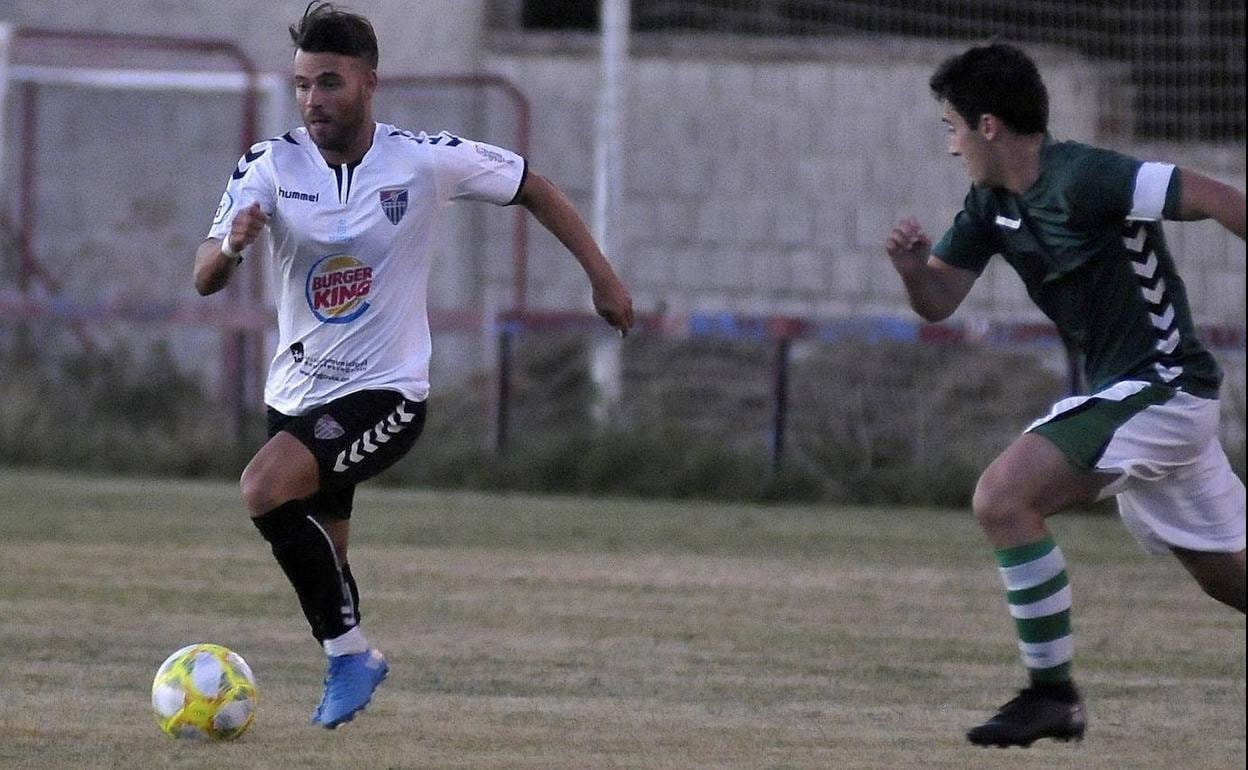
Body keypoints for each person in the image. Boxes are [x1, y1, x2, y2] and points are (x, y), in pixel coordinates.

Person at [193, 1, 633, 729]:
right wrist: (234, 245)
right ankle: (352, 656)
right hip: (295, 394)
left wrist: (602, 277)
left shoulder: (423, 159)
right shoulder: (270, 164)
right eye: (302, 84)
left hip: (387, 392)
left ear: (369, 82)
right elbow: (204, 275)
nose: (312, 100)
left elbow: (533, 186)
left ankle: (349, 655)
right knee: (328, 564)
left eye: (329, 83)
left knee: (262, 487)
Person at [884, 43, 1245, 748]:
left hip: (1165, 387)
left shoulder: (1089, 176)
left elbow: (1220, 199)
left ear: (988, 126)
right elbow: (938, 301)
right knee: (1227, 578)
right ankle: (1051, 696)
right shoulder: (990, 205)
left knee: (1003, 497)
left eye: (952, 127)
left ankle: (1052, 696)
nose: (951, 146)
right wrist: (908, 271)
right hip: (1138, 400)